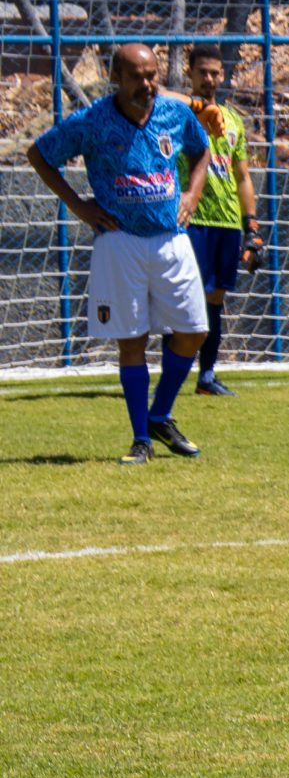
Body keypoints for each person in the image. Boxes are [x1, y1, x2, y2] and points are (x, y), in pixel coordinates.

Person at [28, 44, 214, 464]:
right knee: (132, 341)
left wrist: (193, 193)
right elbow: (39, 154)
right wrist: (78, 206)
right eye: (136, 76)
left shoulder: (174, 112)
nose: (147, 84)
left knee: (194, 330)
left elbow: (201, 149)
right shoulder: (92, 120)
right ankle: (141, 439)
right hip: (119, 240)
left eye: (152, 75)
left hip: (171, 237)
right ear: (116, 78)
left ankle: (160, 415)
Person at [180, 48, 262, 397]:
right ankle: (173, 376)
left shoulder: (233, 121)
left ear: (223, 75)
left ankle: (206, 377)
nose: (209, 79)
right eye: (203, 72)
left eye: (215, 73)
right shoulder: (178, 114)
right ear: (190, 73)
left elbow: (242, 176)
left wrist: (251, 227)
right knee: (183, 300)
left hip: (226, 222)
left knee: (215, 300)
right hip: (190, 218)